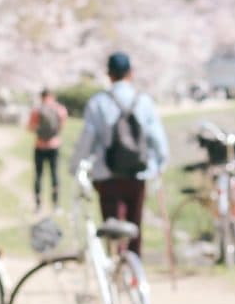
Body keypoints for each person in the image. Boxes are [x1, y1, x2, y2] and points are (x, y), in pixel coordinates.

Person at [69, 52, 169, 257]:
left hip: (107, 176)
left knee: (112, 227)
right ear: (130, 73)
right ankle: (134, 273)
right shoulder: (144, 101)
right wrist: (159, 164)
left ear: (109, 75)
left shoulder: (98, 103)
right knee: (134, 226)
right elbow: (157, 139)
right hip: (138, 174)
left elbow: (87, 139)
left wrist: (75, 166)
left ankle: (116, 267)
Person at [28, 88, 68, 211]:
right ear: (53, 96)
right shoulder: (60, 109)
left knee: (38, 176)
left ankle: (38, 204)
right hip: (54, 145)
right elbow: (62, 125)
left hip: (39, 145)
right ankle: (56, 204)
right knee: (55, 175)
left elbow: (30, 127)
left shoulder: (37, 110)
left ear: (41, 97)